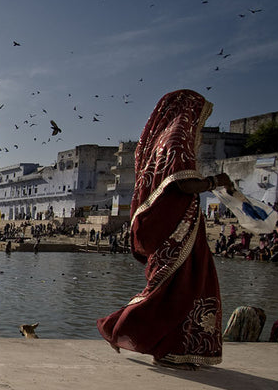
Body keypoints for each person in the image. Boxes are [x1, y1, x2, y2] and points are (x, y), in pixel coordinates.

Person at [97, 90, 233, 370]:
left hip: (180, 227)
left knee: (185, 289)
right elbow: (182, 183)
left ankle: (178, 348)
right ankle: (119, 328)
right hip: (175, 231)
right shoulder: (175, 139)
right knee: (172, 290)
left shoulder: (162, 141)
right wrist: (214, 181)